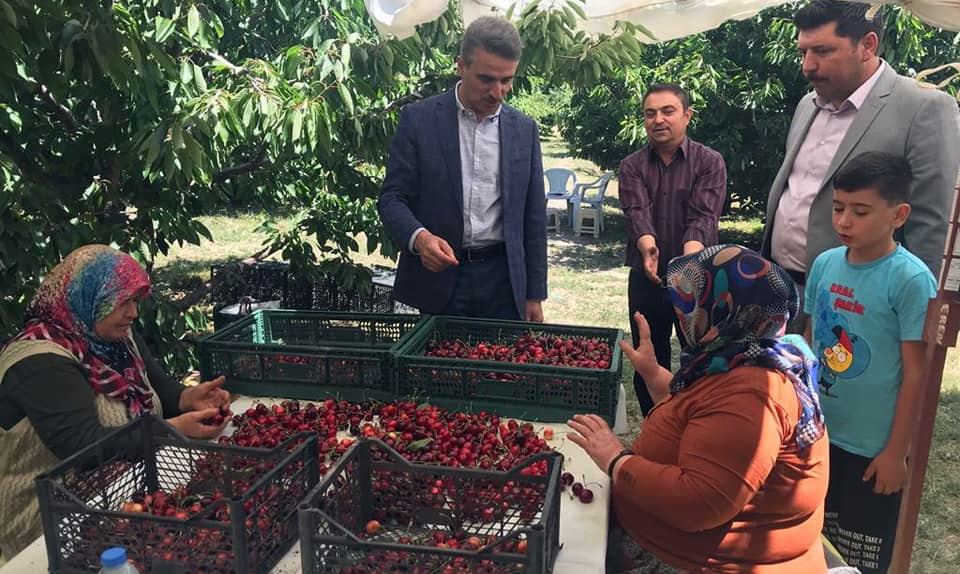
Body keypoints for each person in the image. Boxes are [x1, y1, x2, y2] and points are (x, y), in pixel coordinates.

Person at [568, 245, 830, 573]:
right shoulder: (748, 353)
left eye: (690, 304)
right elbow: (699, 411)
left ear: (723, 309)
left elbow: (698, 504)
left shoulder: (754, 393)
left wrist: (616, 460)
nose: (682, 315)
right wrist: (652, 372)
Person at [0, 245, 231, 558]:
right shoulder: (42, 362)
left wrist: (187, 398)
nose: (133, 312)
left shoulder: (113, 336)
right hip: (49, 526)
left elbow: (156, 386)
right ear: (88, 297)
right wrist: (168, 429)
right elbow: (83, 448)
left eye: (135, 300)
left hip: (120, 502)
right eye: (122, 301)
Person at [762, 0, 959, 329]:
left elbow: (933, 224)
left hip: (863, 306)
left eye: (823, 51)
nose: (807, 66)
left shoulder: (924, 107)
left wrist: (919, 320)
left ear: (868, 44)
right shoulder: (807, 104)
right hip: (781, 293)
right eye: (803, 52)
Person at [804, 152, 936, 574]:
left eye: (860, 212)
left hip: (873, 449)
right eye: (839, 208)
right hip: (819, 435)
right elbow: (808, 344)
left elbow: (917, 371)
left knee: (861, 556)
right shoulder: (825, 264)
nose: (844, 221)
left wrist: (898, 452)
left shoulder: (912, 280)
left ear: (899, 215)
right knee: (814, 541)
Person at [377, 16, 547, 322]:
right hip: (440, 278)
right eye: (486, 79)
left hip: (504, 281)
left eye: (507, 80)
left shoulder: (524, 130)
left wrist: (534, 292)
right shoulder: (419, 120)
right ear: (460, 66)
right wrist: (420, 238)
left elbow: (533, 216)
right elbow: (392, 198)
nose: (497, 91)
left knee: (502, 369)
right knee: (440, 368)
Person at [618, 83, 727, 416]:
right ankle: (656, 422)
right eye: (650, 113)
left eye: (668, 111)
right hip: (645, 278)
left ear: (687, 115)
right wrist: (648, 247)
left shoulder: (709, 162)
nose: (658, 120)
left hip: (694, 278)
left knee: (699, 355)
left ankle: (693, 423)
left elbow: (703, 216)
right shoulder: (632, 165)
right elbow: (637, 211)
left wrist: (685, 263)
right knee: (649, 352)